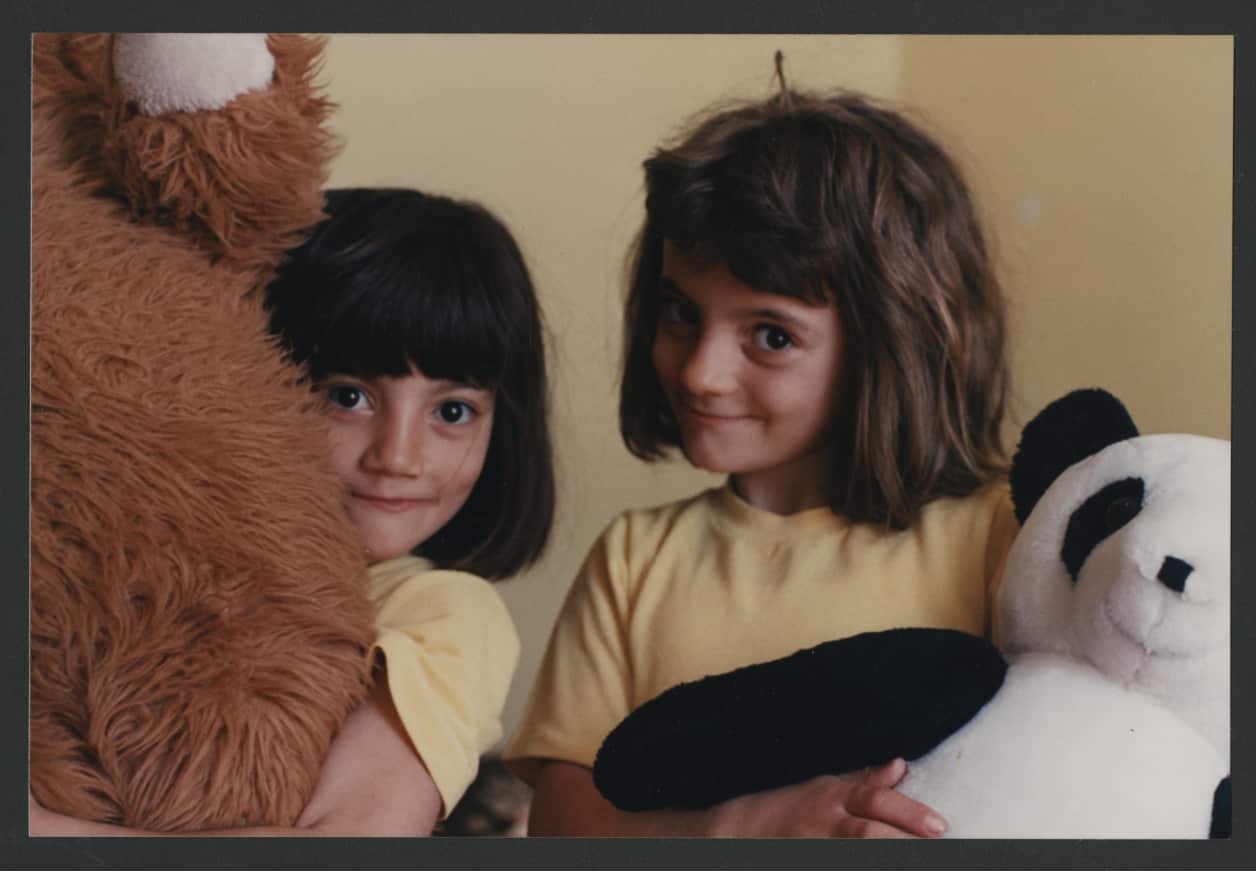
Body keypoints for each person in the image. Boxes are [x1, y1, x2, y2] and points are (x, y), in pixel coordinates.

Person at [504, 67, 1020, 837]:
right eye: (681, 313)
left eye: (771, 336)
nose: (701, 372)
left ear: (893, 345)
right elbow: (559, 821)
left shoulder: (1001, 536)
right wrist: (748, 828)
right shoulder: (635, 559)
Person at [30, 187, 555, 836]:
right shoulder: (174, 565)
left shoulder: (446, 610)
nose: (398, 456)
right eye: (348, 396)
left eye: (452, 412)